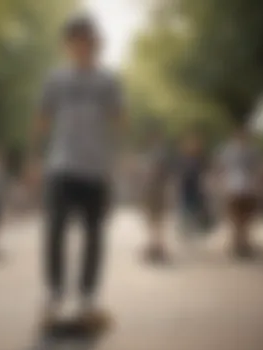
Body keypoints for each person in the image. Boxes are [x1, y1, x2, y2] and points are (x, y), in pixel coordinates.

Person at [32, 15, 125, 329]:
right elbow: (42, 119)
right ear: (67, 45)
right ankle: (55, 294)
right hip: (62, 165)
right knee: (55, 229)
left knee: (94, 235)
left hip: (96, 168)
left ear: (96, 43)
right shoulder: (55, 79)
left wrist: (120, 151)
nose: (82, 46)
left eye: (88, 40)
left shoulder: (108, 81)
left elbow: (120, 120)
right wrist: (34, 159)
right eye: (76, 41)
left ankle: (87, 297)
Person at [216, 127, 260, 258]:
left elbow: (257, 169)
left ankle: (243, 243)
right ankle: (237, 243)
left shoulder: (251, 151)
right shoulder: (229, 151)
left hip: (247, 188)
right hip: (234, 187)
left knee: (245, 218)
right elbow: (221, 167)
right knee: (235, 217)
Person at [142, 129, 173, 262]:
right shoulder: (150, 154)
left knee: (158, 219)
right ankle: (154, 244)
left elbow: (163, 172)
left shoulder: (161, 154)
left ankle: (157, 245)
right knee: (152, 219)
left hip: (158, 188)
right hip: (151, 188)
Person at [176, 132, 211, 249]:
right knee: (186, 207)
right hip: (186, 185)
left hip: (197, 185)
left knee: (196, 206)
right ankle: (186, 229)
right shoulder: (184, 159)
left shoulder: (201, 159)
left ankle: (196, 227)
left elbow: (205, 172)